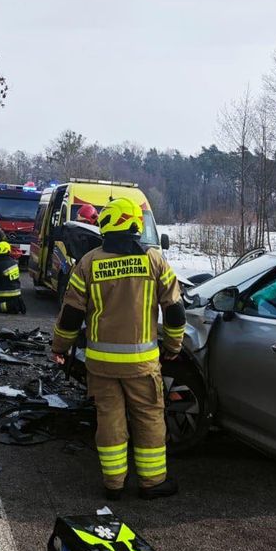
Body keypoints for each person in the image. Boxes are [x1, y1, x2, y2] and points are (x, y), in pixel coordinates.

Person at [50, 197, 187, 500]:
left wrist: (59, 347)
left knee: (109, 420)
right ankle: (152, 483)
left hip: (101, 366)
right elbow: (175, 310)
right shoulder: (153, 261)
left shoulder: (88, 263)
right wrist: (174, 346)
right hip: (142, 366)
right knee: (149, 417)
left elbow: (71, 315)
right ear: (135, 224)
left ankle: (114, 484)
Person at [0, 240, 26, 314]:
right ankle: (16, 304)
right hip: (16, 293)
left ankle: (13, 306)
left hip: (3, 295)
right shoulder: (14, 262)